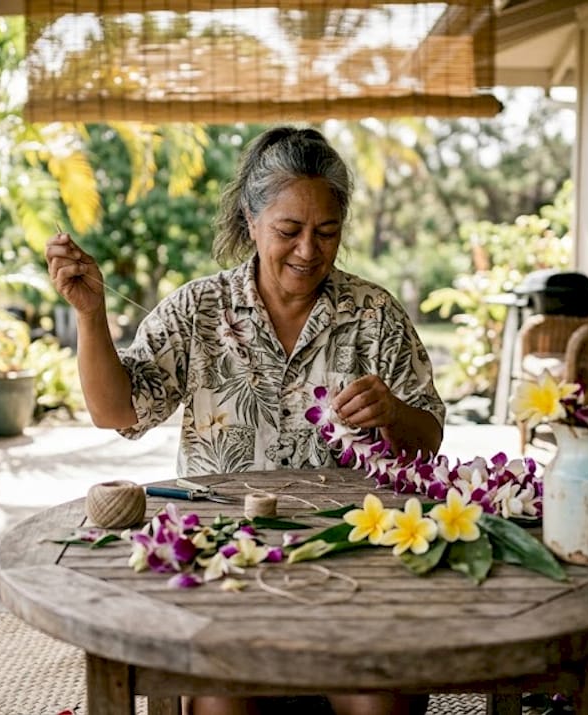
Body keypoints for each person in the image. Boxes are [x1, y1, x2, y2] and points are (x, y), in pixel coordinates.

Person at [46, 126, 443, 715]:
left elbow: (429, 438)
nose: (308, 250)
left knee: (382, 700)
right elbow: (116, 410)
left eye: (326, 232)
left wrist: (393, 414)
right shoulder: (198, 309)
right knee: (222, 701)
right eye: (289, 231)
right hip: (227, 562)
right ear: (251, 222)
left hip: (352, 564)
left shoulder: (374, 314)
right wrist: (91, 314)